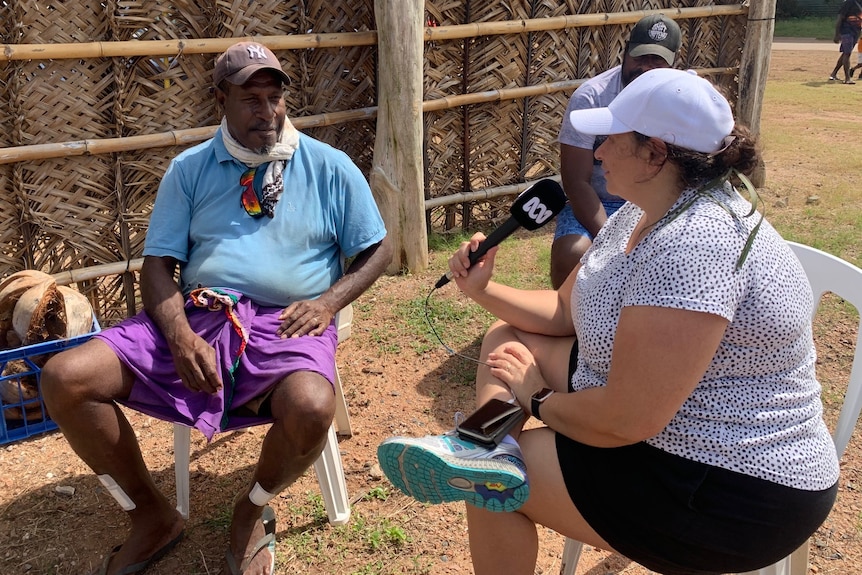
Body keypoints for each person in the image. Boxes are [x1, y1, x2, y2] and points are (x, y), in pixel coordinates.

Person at [377, 68, 839, 575]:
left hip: (732, 489)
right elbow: (562, 311)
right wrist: (482, 289)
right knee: (507, 339)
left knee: (489, 489)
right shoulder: (637, 213)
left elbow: (626, 419)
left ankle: (485, 458)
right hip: (672, 428)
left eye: (612, 139)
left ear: (655, 152)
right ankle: (484, 445)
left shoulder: (694, 243)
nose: (596, 152)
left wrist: (538, 398)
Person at [41, 41, 391, 575]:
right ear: (219, 99)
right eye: (250, 98)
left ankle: (250, 510)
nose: (267, 111)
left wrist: (328, 302)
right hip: (201, 315)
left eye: (274, 97)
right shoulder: (191, 169)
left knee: (312, 407)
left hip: (286, 324)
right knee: (66, 377)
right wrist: (180, 336)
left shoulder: (329, 166)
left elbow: (379, 249)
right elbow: (158, 266)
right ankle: (153, 515)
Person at [550, 14, 681, 288]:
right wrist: (612, 240)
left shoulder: (682, 99)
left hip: (651, 202)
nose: (645, 69)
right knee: (572, 253)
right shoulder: (592, 98)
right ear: (625, 52)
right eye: (639, 58)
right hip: (598, 201)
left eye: (657, 62)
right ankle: (567, 325)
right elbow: (576, 181)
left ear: (674, 62)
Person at [829, 0, 862, 84]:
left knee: (846, 53)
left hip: (856, 32)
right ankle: (847, 78)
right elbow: (840, 18)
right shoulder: (848, 3)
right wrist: (837, 34)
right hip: (847, 31)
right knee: (847, 53)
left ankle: (833, 74)